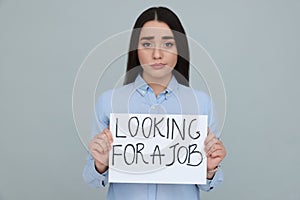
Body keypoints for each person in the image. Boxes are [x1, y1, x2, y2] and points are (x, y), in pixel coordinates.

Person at [83, 6, 226, 200]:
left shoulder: (202, 104)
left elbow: (208, 183)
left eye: (168, 44)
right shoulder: (108, 102)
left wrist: (209, 169)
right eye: (147, 44)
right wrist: (100, 164)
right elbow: (92, 179)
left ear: (180, 49)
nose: (157, 55)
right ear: (136, 49)